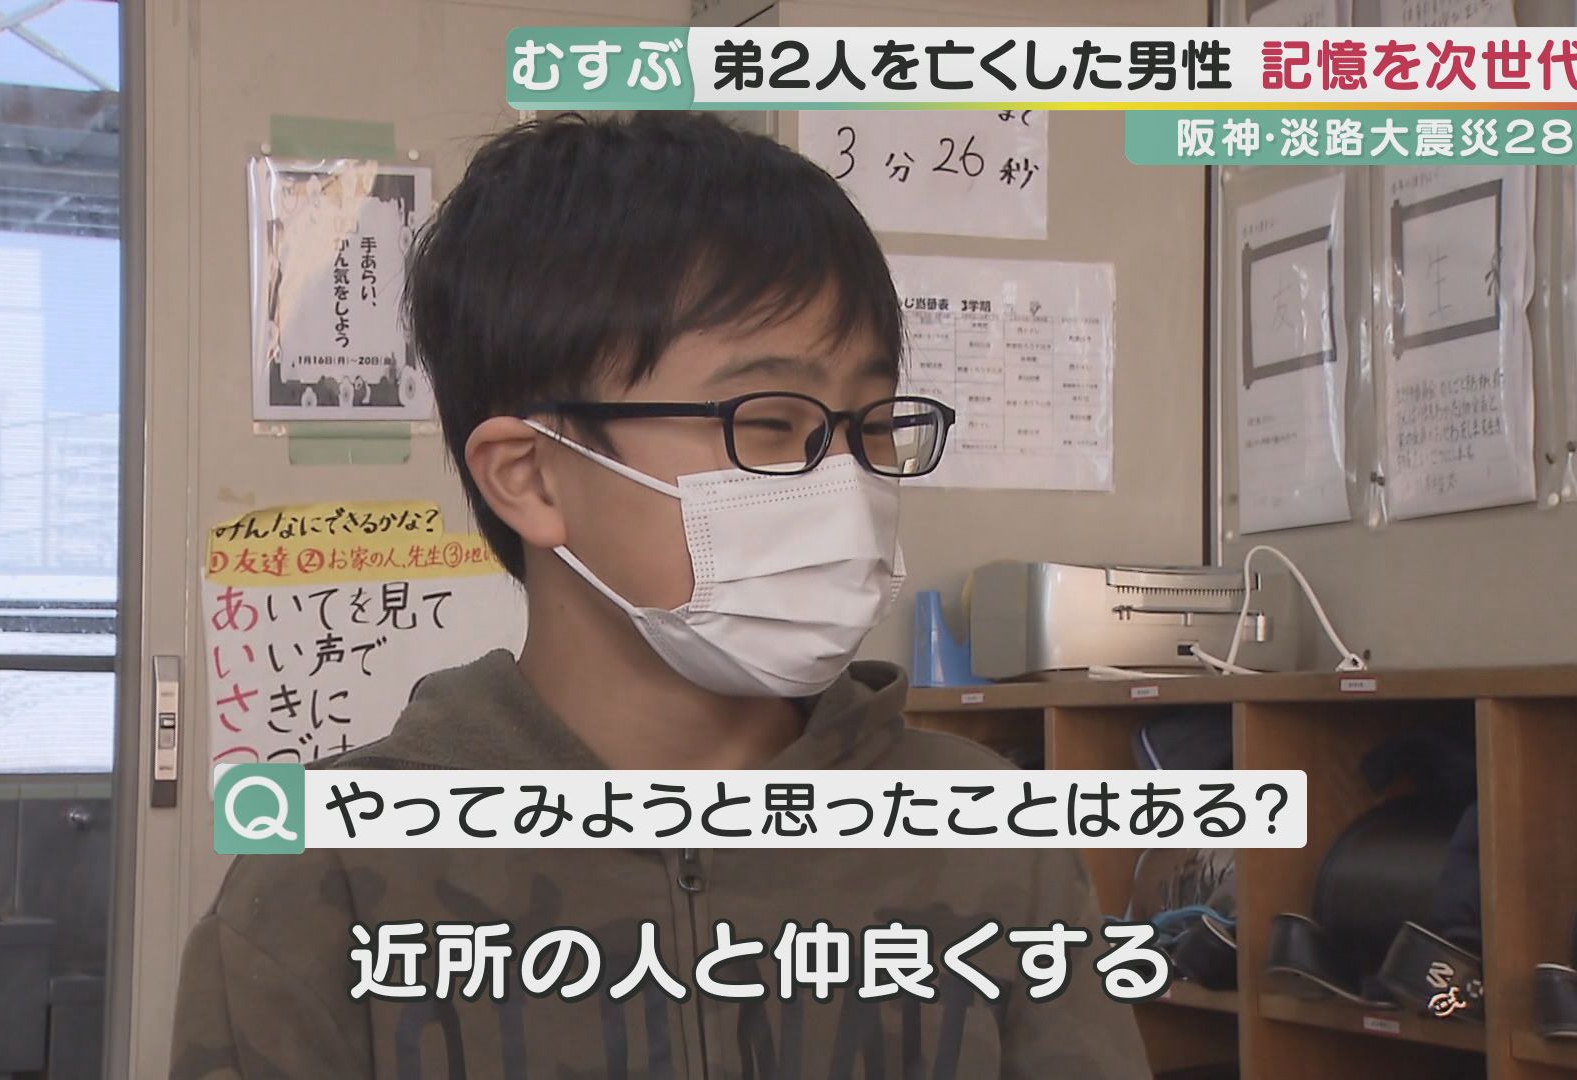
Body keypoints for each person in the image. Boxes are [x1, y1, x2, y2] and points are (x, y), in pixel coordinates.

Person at [171, 112, 1151, 1080]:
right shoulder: (329, 877)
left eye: (874, 424)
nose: (847, 481)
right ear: (531, 476)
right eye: (769, 422)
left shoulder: (989, 838)